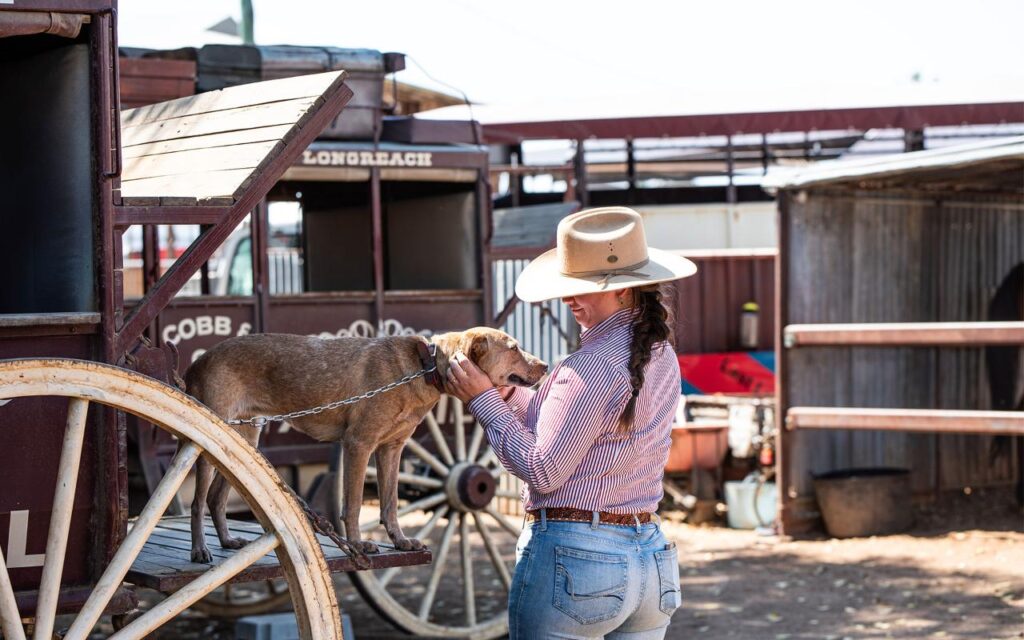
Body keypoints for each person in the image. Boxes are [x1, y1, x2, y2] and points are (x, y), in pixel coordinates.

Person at [446, 206, 698, 639]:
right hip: (651, 562)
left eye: (581, 287)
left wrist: (484, 400)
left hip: (579, 563)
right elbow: (572, 424)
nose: (568, 299)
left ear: (623, 290)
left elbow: (544, 470)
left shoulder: (590, 365)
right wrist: (504, 392)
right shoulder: (662, 356)